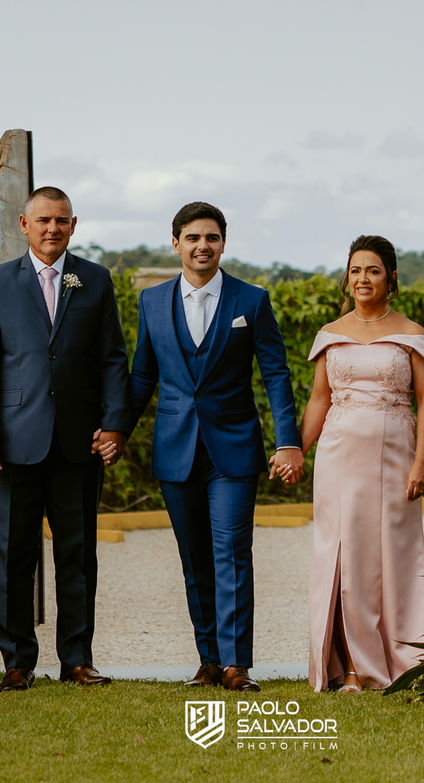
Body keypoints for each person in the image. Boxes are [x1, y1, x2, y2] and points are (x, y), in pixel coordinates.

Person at [127, 201, 303, 694]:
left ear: (224, 242)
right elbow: (143, 375)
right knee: (194, 558)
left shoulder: (252, 300)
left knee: (232, 552)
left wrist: (286, 440)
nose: (202, 246)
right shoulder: (152, 302)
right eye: (192, 237)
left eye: (212, 237)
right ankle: (208, 658)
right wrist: (116, 428)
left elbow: (275, 374)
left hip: (233, 449)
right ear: (177, 244)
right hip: (175, 448)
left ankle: (236, 664)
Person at [0, 186, 130, 693]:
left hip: (79, 443)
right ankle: (17, 660)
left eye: (61, 221)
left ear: (74, 225)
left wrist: (116, 424)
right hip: (15, 444)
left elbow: (113, 361)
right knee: (12, 554)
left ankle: (77, 658)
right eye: (43, 220)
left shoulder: (96, 281)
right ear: (24, 224)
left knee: (78, 556)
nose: (52, 228)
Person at [301, 233, 424, 693]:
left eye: (373, 270)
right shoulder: (330, 335)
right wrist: (296, 449)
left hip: (396, 457)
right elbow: (320, 400)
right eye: (356, 270)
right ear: (347, 278)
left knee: (395, 555)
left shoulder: (413, 334)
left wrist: (421, 461)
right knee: (344, 555)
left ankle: (410, 657)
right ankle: (354, 668)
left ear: (391, 278)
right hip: (338, 457)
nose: (363, 278)